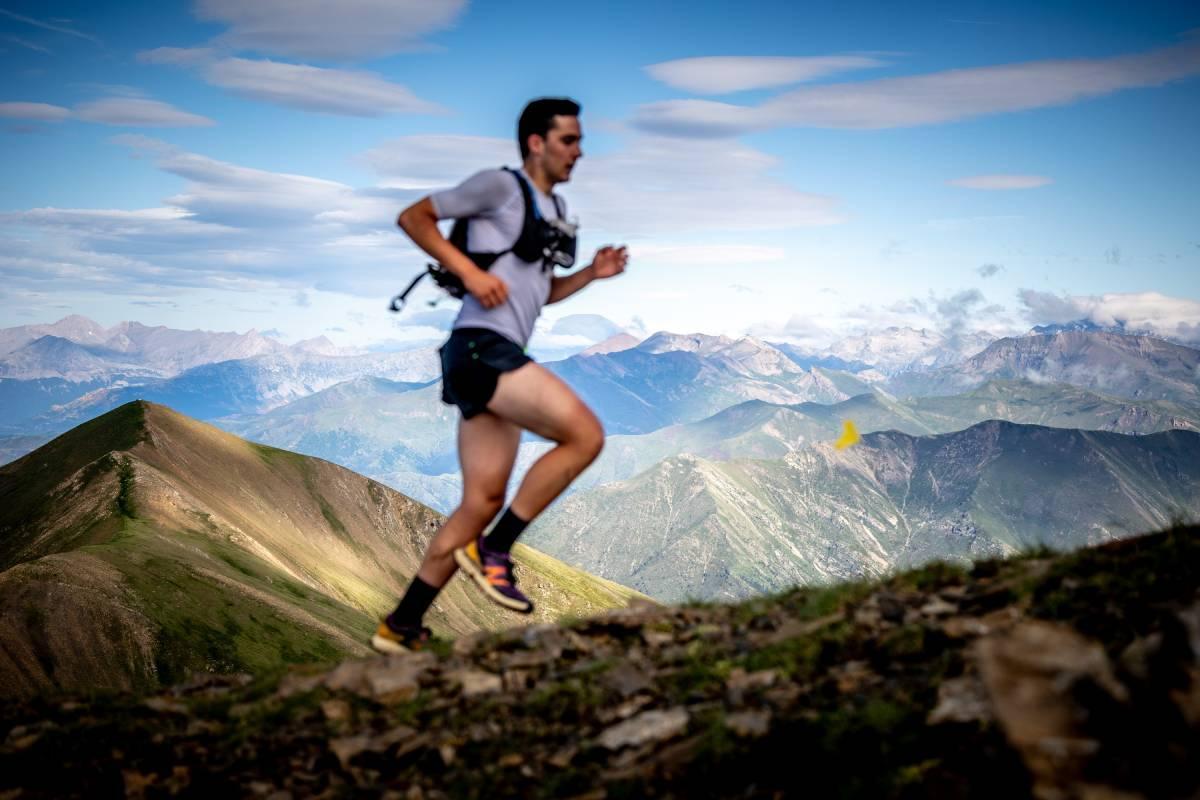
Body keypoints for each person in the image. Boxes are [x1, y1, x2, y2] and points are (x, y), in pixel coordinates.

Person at [372, 97, 629, 654]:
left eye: (580, 141)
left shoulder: (553, 208)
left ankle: (402, 624)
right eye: (569, 140)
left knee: (481, 501)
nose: (579, 151)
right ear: (536, 141)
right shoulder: (499, 186)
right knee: (585, 435)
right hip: (481, 348)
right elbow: (413, 217)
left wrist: (592, 272)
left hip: (485, 355)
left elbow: (543, 294)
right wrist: (468, 272)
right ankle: (496, 552)